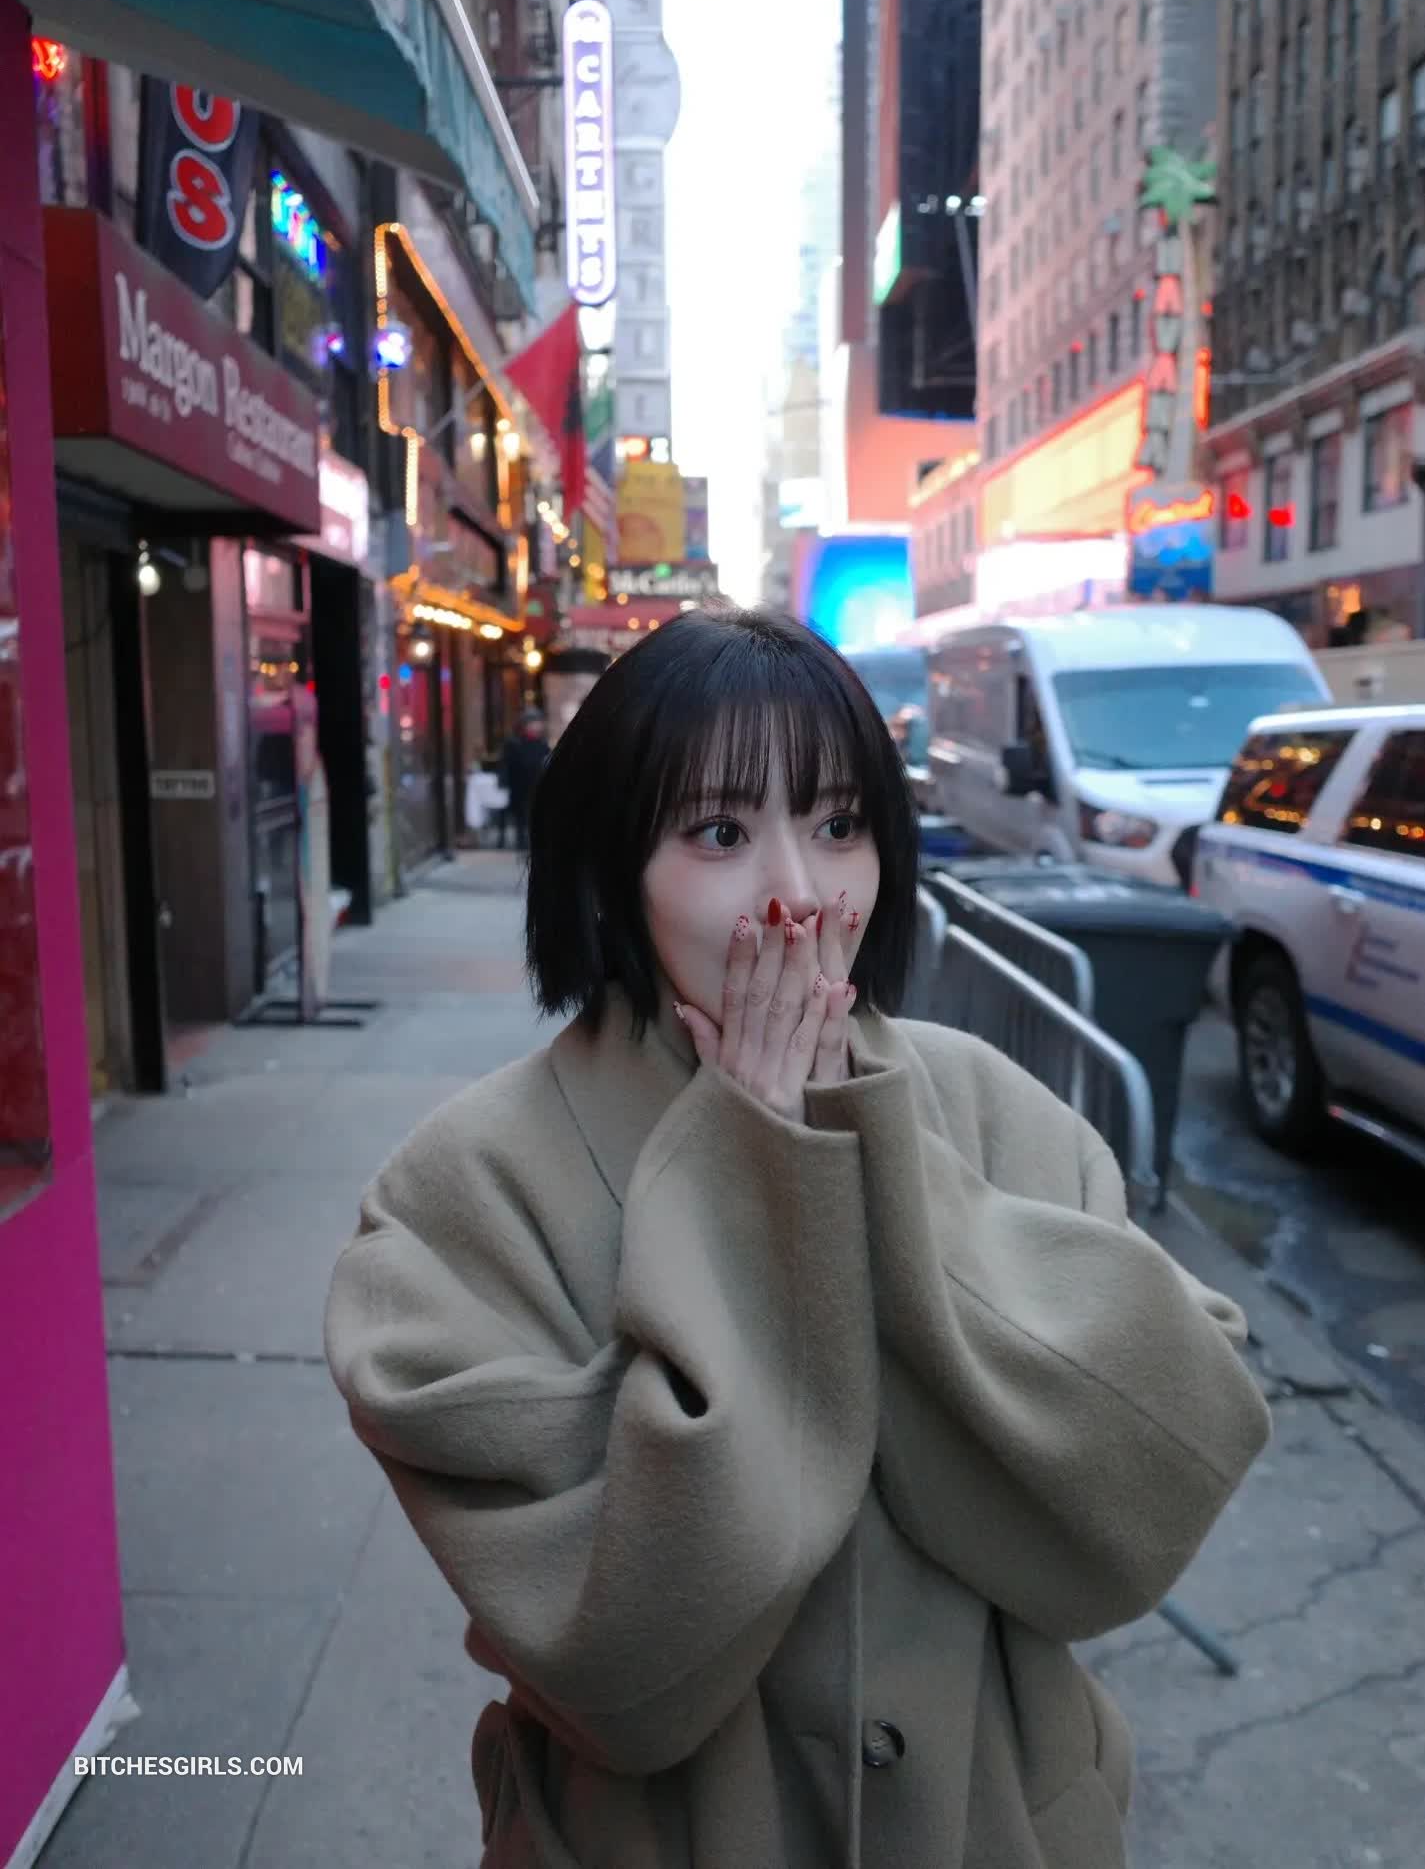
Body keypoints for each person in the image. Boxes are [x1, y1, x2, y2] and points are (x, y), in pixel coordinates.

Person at [324, 605, 1271, 1869]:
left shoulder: (991, 1106)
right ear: (611, 864)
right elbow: (616, 1661)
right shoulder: (467, 1194)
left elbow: (1145, 1487)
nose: (800, 893)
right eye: (720, 833)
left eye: (839, 825)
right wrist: (758, 1187)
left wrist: (882, 1157)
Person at [496, 708, 550, 851]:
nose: (538, 726)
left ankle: (533, 839)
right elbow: (505, 764)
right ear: (526, 725)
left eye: (539, 722)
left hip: (536, 783)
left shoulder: (541, 742)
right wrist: (504, 782)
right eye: (535, 723)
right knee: (520, 814)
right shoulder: (514, 742)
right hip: (518, 784)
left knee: (534, 813)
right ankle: (521, 840)